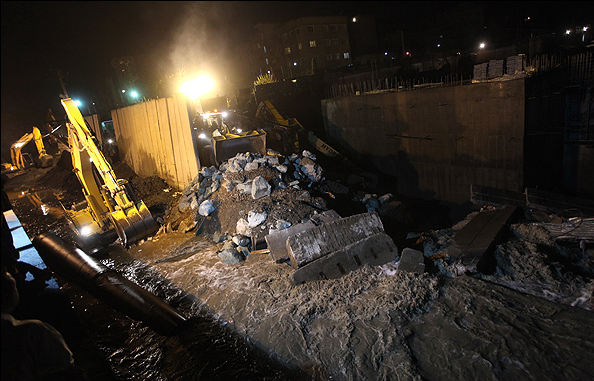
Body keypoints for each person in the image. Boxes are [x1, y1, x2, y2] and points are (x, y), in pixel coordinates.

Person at [1, 267, 86, 381]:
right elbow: (65, 369)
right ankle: (80, 347)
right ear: (7, 297)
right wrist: (39, 281)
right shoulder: (33, 332)